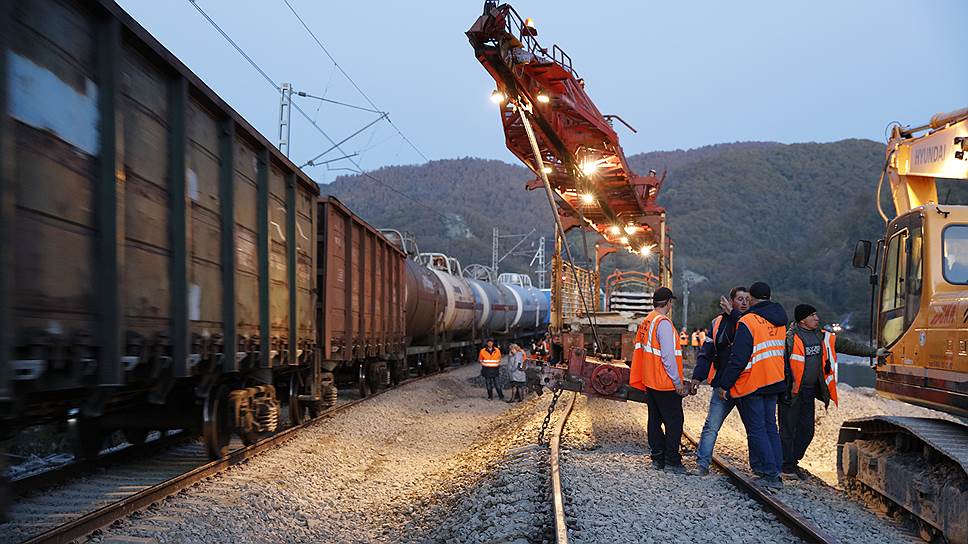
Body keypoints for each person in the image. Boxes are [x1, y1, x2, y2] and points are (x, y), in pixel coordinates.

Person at [780, 304, 888, 478]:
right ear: (802, 320)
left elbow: (849, 346)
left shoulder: (824, 337)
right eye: (812, 315)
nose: (817, 318)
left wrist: (874, 352)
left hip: (808, 393)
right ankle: (786, 466)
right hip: (790, 393)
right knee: (787, 431)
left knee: (807, 432)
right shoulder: (789, 339)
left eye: (816, 315)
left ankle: (792, 462)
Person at [717, 281, 787, 489]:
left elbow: (739, 358)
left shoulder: (749, 321)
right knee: (771, 428)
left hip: (755, 381)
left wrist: (725, 384)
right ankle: (775, 471)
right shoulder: (780, 320)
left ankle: (770, 474)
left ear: (753, 298)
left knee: (757, 429)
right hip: (775, 380)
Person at [689, 286, 750, 476]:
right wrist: (697, 377)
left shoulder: (750, 322)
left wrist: (733, 314)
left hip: (746, 384)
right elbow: (706, 353)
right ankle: (702, 464)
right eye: (740, 299)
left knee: (754, 429)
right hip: (722, 384)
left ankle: (763, 470)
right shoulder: (717, 323)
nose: (744, 302)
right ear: (732, 301)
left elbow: (742, 327)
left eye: (747, 299)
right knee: (711, 426)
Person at [630, 287, 689, 472]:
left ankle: (658, 457)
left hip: (650, 380)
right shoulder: (663, 323)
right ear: (668, 302)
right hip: (664, 382)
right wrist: (677, 382)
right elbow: (668, 357)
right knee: (674, 421)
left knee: (654, 420)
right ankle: (672, 461)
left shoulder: (647, 321)